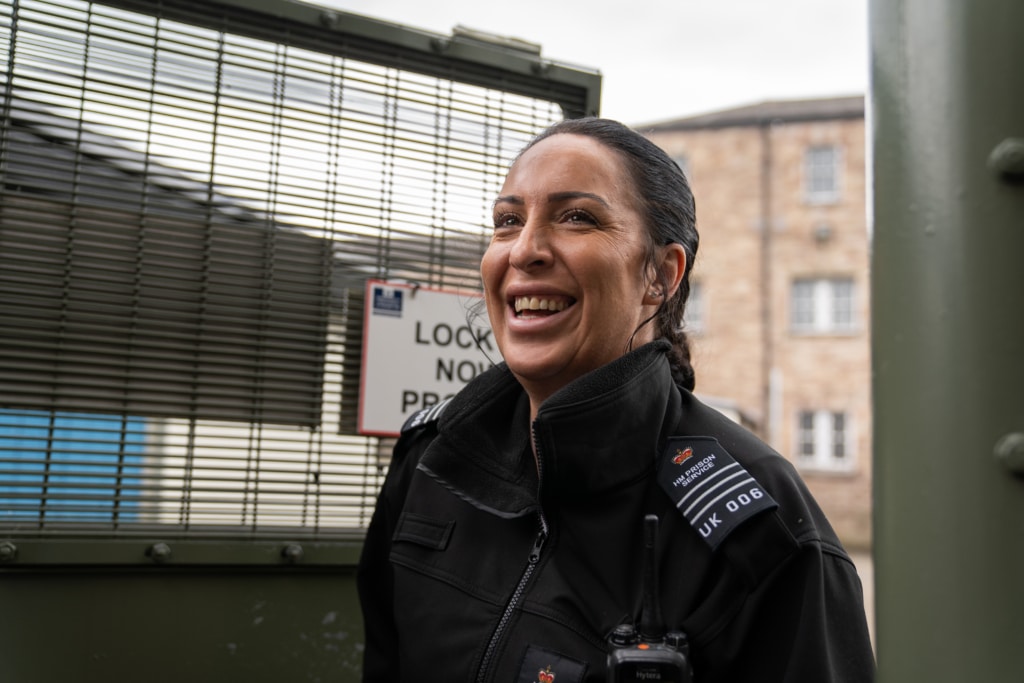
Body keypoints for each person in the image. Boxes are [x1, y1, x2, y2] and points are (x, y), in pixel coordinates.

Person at [357, 117, 875, 682]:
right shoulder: (432, 460)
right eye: (508, 221)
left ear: (661, 275)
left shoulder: (763, 532)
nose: (524, 249)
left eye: (577, 217)